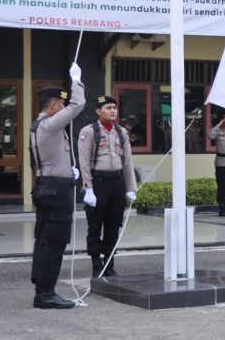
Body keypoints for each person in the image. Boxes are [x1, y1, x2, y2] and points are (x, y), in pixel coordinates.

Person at [29, 63, 84, 309]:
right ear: (53, 106)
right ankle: (46, 294)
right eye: (60, 105)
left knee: (44, 240)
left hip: (46, 186)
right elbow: (78, 105)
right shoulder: (49, 124)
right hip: (56, 190)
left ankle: (42, 288)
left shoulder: (37, 126)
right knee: (55, 242)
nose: (63, 109)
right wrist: (77, 81)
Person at [78, 95, 138, 278]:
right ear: (98, 111)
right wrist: (88, 188)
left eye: (115, 108)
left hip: (117, 183)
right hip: (98, 183)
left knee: (113, 225)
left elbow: (127, 161)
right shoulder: (88, 132)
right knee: (95, 225)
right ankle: (96, 263)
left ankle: (109, 263)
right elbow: (84, 161)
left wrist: (130, 188)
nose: (113, 111)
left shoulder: (121, 132)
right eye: (108, 108)